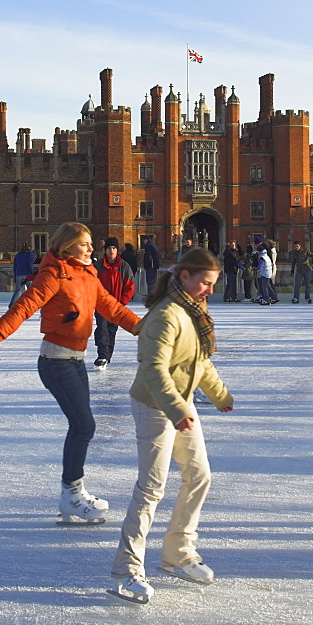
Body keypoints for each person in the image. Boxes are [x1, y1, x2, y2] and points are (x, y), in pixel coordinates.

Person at [0, 222, 141, 524]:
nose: (92, 249)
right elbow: (23, 307)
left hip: (76, 360)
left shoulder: (89, 274)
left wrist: (146, 330)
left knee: (81, 426)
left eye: (92, 244)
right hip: (55, 362)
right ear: (67, 246)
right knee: (84, 426)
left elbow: (112, 308)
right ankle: (71, 495)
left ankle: (72, 494)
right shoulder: (54, 275)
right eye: (85, 244)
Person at [109, 247, 234, 604]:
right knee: (151, 488)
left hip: (180, 403)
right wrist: (177, 409)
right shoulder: (165, 315)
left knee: (199, 475)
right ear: (184, 277)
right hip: (154, 405)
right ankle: (126, 569)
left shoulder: (193, 311)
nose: (210, 290)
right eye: (205, 283)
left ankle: (178, 551)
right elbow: (154, 369)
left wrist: (219, 394)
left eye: (213, 283)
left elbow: (200, 361)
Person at [93, 236, 136, 369]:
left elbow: (130, 286)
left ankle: (107, 356)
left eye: (114, 248)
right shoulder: (98, 266)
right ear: (105, 250)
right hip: (102, 305)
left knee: (111, 331)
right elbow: (91, 284)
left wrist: (122, 302)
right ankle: (102, 355)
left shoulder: (124, 266)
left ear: (117, 250)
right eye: (109, 248)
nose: (111, 251)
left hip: (116, 306)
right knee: (102, 329)